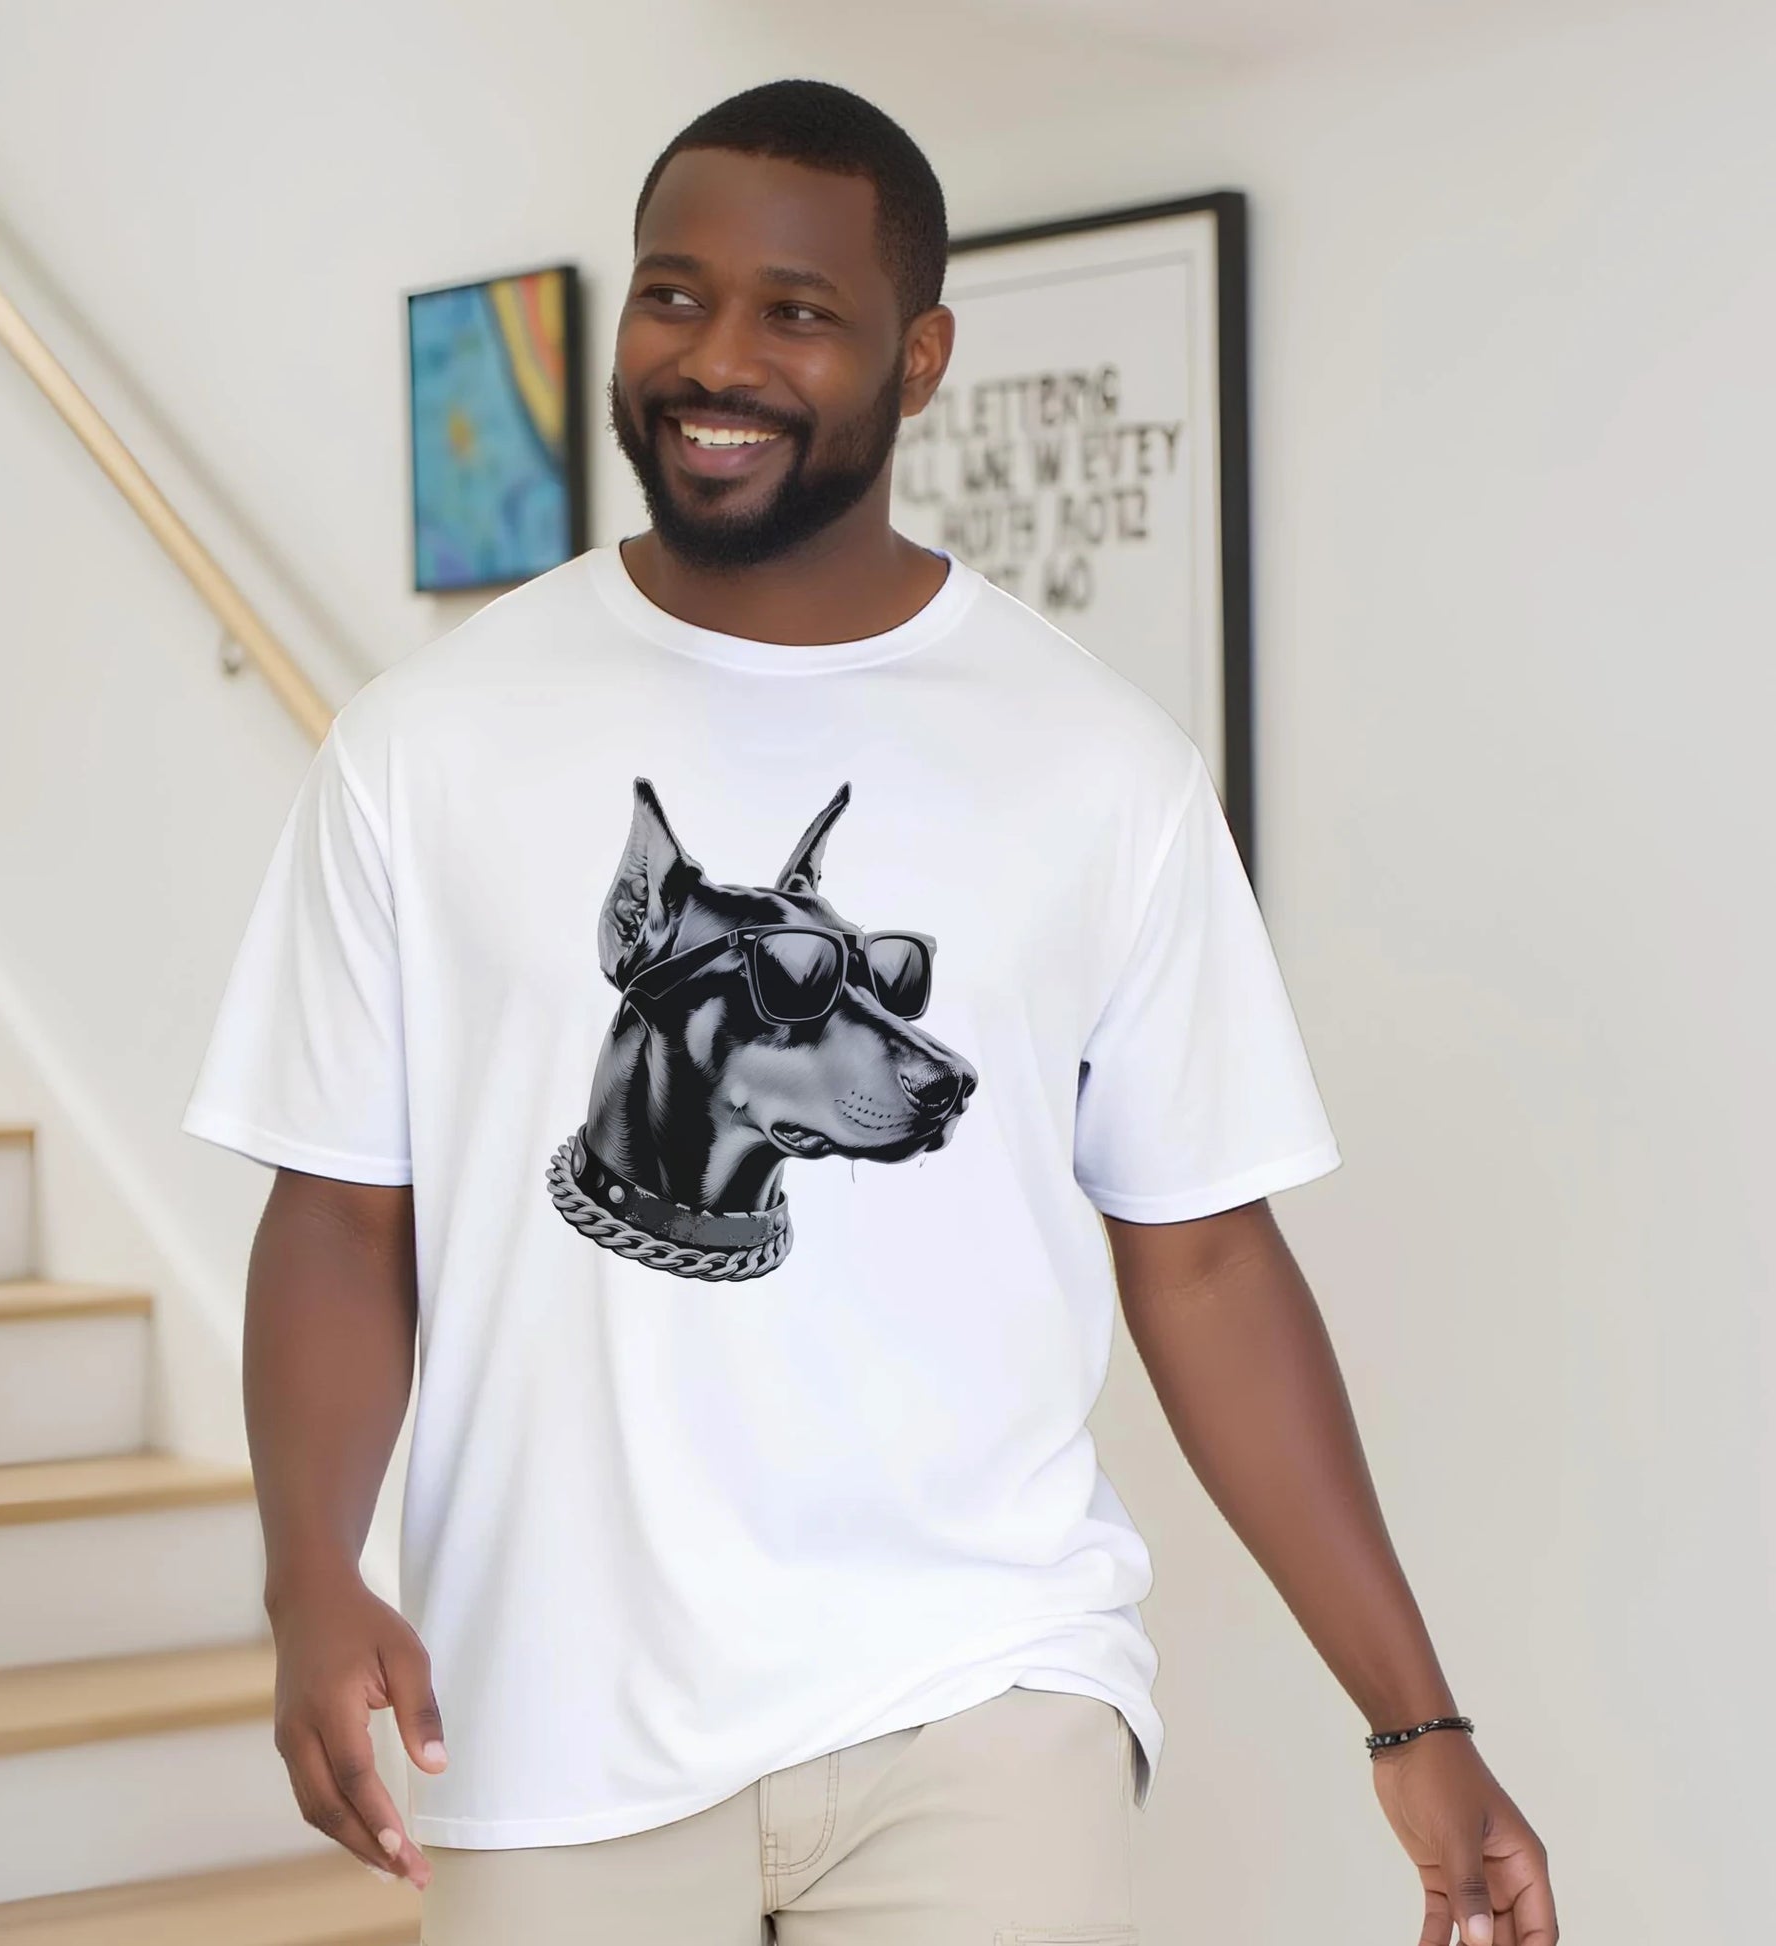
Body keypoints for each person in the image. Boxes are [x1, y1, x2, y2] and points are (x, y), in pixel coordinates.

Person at [182, 77, 1557, 1946]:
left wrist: (1416, 1717)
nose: (716, 357)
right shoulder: (423, 748)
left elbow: (1208, 1262)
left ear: (918, 359)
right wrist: (306, 1573)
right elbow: (345, 1217)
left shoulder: (1099, 770)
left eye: (796, 311)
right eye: (675, 295)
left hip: (982, 1693)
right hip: (552, 1724)